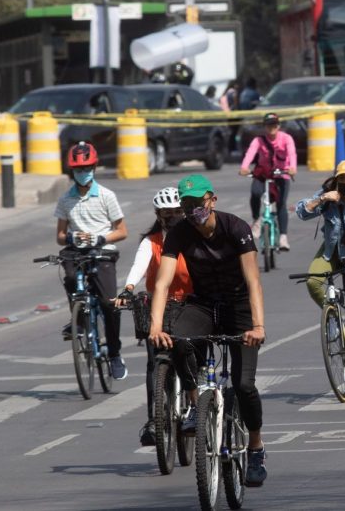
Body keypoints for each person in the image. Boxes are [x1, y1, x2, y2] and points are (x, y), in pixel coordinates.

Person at [148, 173, 269, 487]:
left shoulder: (236, 229)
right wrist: (156, 326)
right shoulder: (179, 233)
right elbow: (162, 283)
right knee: (177, 339)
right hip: (203, 304)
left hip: (239, 306)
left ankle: (255, 446)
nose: (192, 210)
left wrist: (257, 325)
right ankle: (194, 400)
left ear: (212, 200)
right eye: (186, 204)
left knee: (243, 386)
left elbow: (254, 281)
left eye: (197, 203)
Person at [116, 187, 191, 447]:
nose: (172, 217)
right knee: (154, 361)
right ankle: (153, 419)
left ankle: (197, 405)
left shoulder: (194, 238)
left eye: (177, 212)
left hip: (190, 303)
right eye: (167, 214)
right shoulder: (152, 241)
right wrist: (127, 289)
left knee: (193, 353)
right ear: (159, 216)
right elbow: (139, 265)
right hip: (159, 306)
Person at [295, 160, 345, 378]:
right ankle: (332, 315)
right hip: (331, 251)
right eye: (341, 178)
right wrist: (321, 199)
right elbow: (302, 212)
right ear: (336, 179)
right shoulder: (328, 195)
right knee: (313, 280)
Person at [53, 142, 129, 379]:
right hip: (77, 251)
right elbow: (60, 236)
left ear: (94, 167)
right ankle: (78, 318)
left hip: (102, 250)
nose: (82, 172)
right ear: (71, 172)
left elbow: (122, 230)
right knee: (68, 275)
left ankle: (115, 354)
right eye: (78, 169)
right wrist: (73, 237)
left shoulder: (107, 196)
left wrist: (100, 237)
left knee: (108, 303)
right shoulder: (66, 199)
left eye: (86, 167)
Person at [240, 113, 297, 251]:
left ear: (279, 125)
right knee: (255, 193)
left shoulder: (286, 138)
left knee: (281, 203)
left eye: (275, 124)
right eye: (269, 124)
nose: (272, 127)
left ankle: (283, 237)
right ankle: (256, 221)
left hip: (282, 174)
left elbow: (292, 154)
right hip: (263, 174)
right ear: (264, 126)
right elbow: (250, 153)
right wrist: (244, 167)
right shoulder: (258, 140)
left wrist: (292, 167)